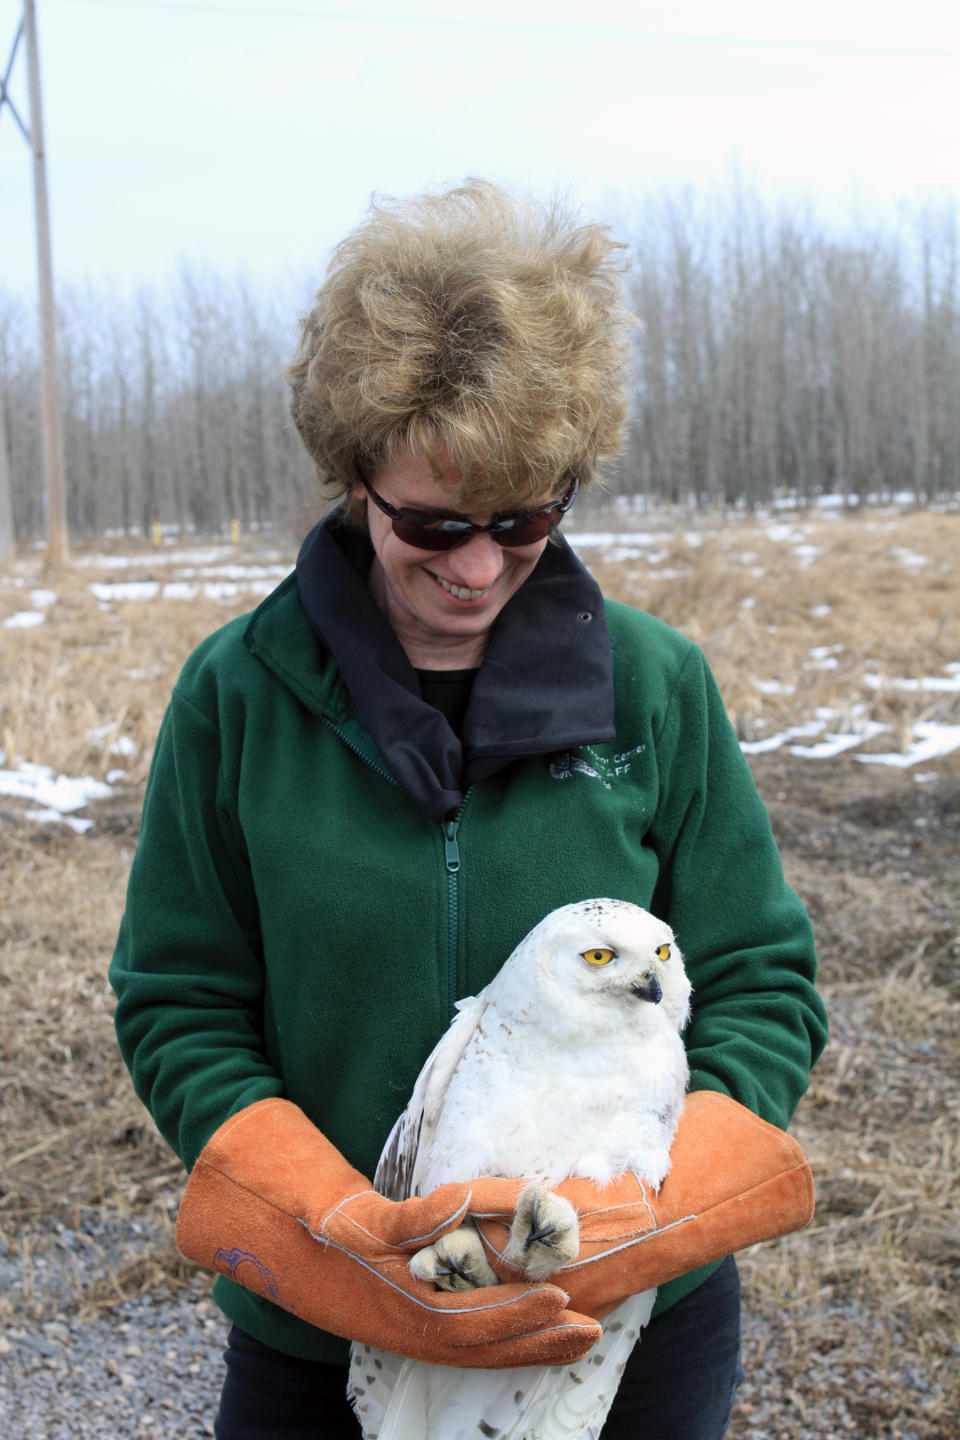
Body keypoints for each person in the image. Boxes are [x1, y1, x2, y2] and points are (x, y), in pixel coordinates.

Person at [109, 180, 828, 1440]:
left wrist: (647, 1217)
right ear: (354, 482)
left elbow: (761, 978)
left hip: (622, 1330)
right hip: (323, 1335)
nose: (478, 567)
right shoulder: (239, 697)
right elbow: (179, 999)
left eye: (523, 519)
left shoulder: (654, 688)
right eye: (432, 523)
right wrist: (331, 1232)